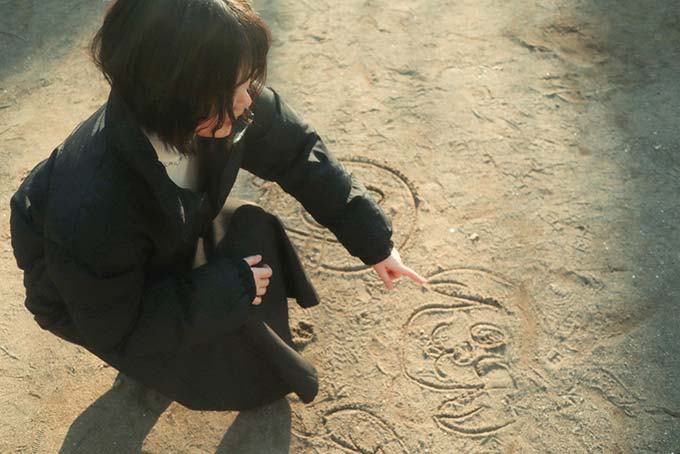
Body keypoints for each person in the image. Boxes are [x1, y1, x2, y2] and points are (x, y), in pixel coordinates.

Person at [9, 0, 426, 412]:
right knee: (236, 375)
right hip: (89, 299)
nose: (247, 101)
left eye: (248, 82)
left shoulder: (215, 104)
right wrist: (225, 289)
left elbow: (298, 152)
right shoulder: (93, 206)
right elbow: (117, 326)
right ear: (171, 95)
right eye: (233, 90)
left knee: (252, 229)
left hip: (163, 237)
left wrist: (374, 241)